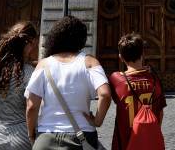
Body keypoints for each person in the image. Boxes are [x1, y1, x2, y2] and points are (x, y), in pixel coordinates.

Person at [25, 15, 111, 149]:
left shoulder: (43, 64)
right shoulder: (90, 62)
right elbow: (105, 94)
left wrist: (31, 134)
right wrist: (97, 121)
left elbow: (31, 106)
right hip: (82, 136)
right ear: (81, 39)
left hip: (47, 136)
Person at [0, 21, 39, 150]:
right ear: (30, 43)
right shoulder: (30, 72)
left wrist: (6, 95)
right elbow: (31, 107)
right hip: (22, 134)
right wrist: (32, 135)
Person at [108, 32, 166, 150]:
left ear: (121, 57)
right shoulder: (154, 79)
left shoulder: (116, 79)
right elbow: (160, 112)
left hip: (124, 141)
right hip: (149, 140)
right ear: (142, 53)